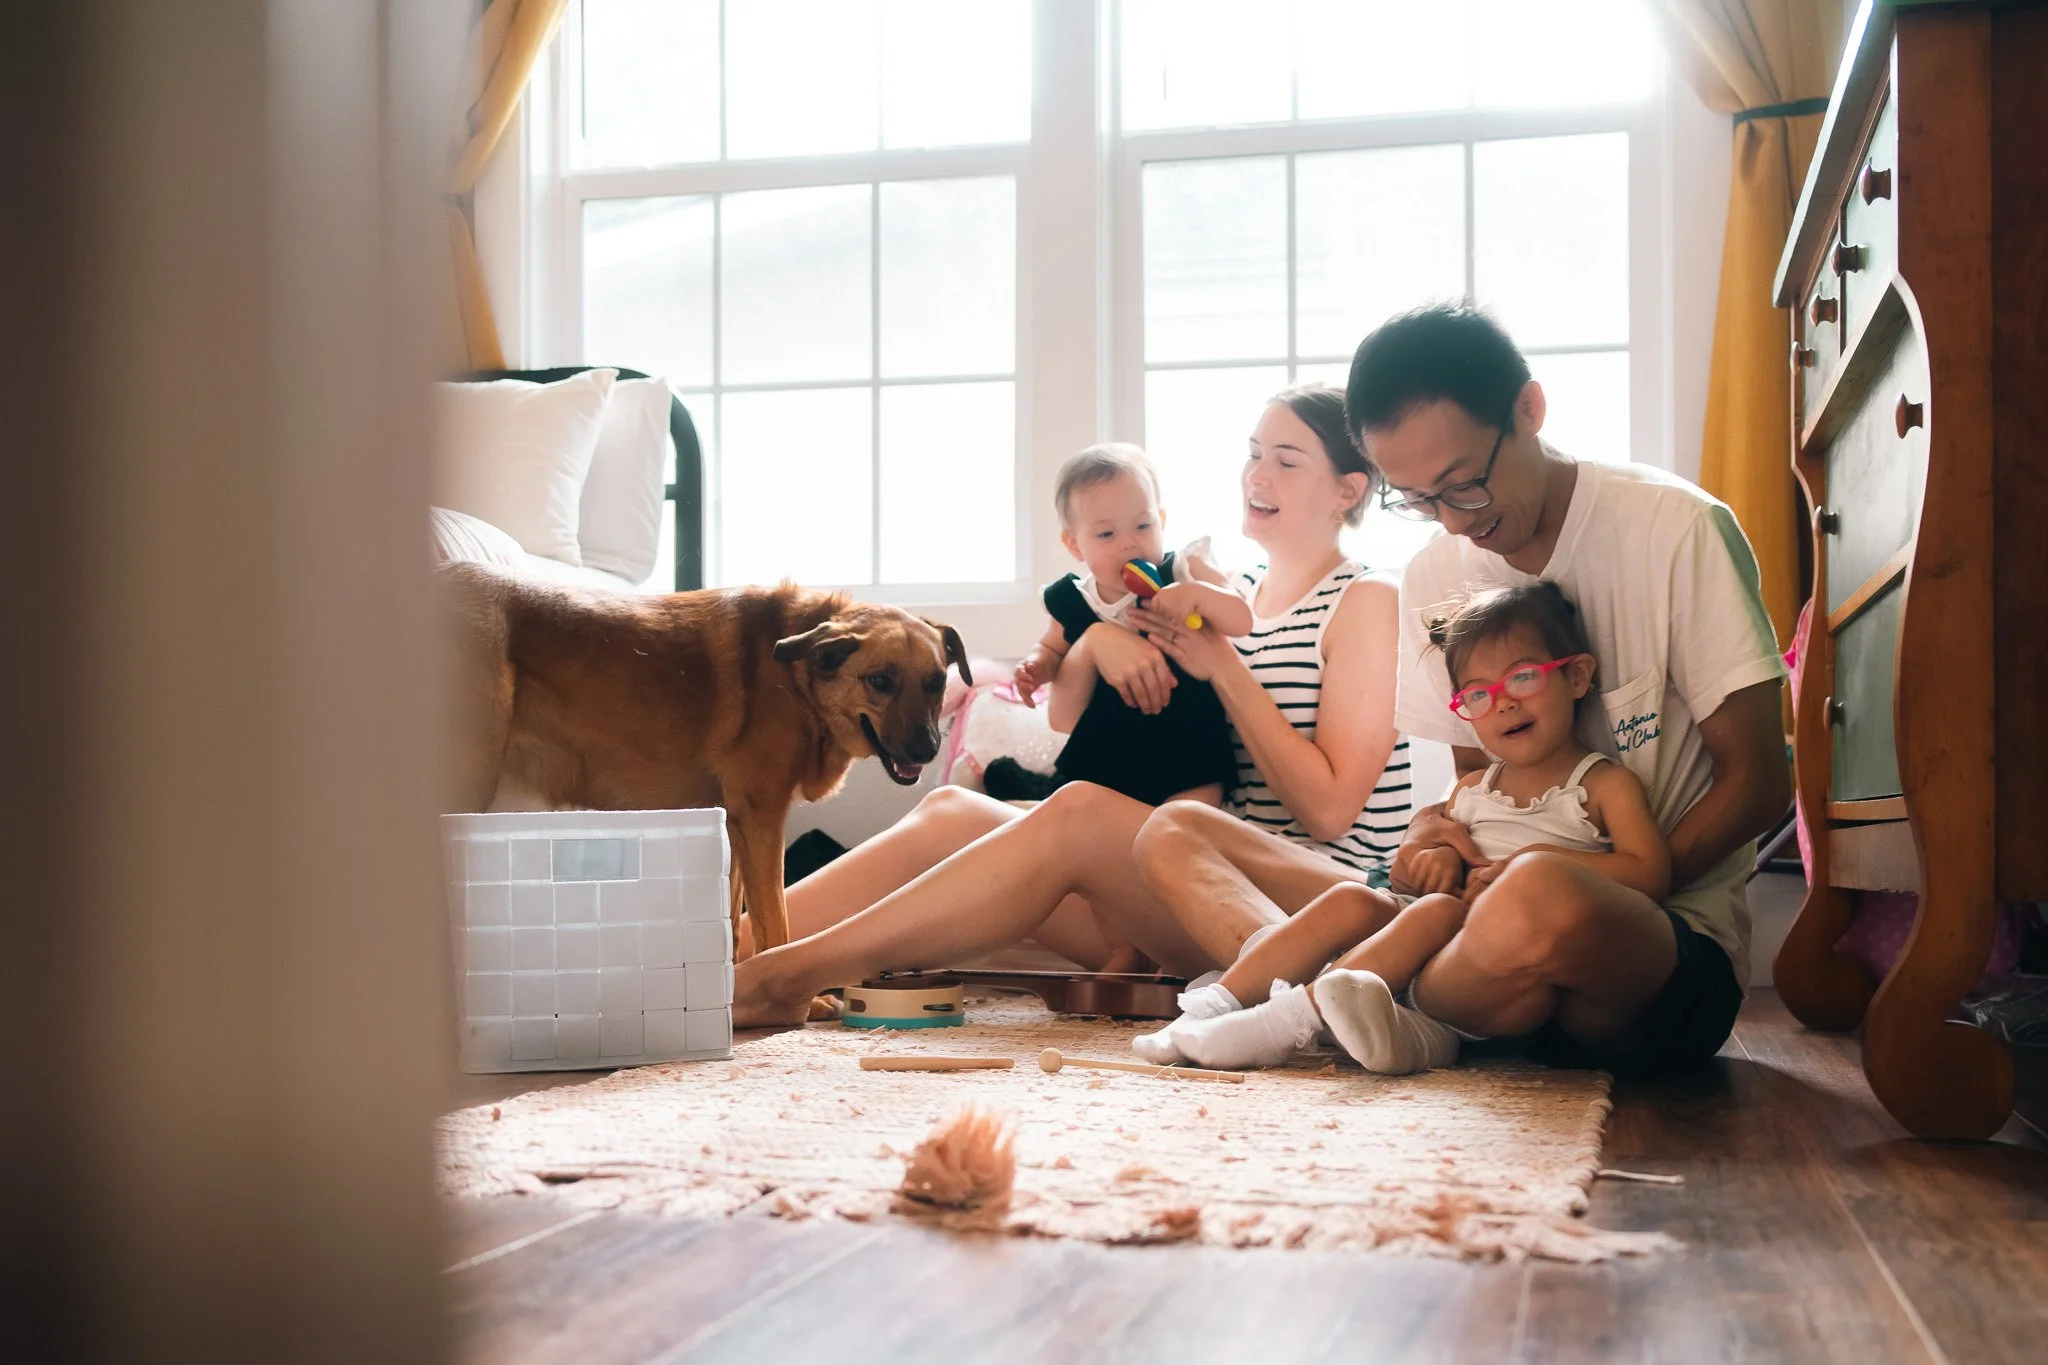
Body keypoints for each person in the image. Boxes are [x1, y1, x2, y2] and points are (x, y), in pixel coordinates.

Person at [1138, 303, 1789, 1076]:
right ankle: (1361, 1006)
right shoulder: (1435, 574)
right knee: (1201, 837)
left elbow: (1760, 780)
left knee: (1538, 890)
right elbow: (1479, 786)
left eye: (1464, 485)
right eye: (1416, 499)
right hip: (1470, 949)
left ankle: (1336, 1007)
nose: (1451, 522)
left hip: (1657, 947)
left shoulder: (1674, 528)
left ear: (1529, 409)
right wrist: (1438, 850)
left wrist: (1572, 882)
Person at [729, 386, 1413, 1027]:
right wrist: (1094, 646)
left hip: (1299, 908)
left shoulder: (1366, 600)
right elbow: (1079, 697)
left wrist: (1222, 666)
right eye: (1254, 453)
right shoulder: (1238, 590)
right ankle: (723, 954)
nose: (1256, 475)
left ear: (1347, 490)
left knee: (1077, 809)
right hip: (1195, 876)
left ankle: (786, 978)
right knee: (952, 813)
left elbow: (1330, 810)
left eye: (1285, 461)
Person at [1134, 581, 1669, 1074]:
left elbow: (1649, 873)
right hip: (1419, 932)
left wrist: (1517, 870)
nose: (1503, 701)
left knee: (1436, 910)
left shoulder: (1600, 785)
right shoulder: (1473, 787)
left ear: (1576, 675)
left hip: (1482, 958)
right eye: (1477, 694)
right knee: (1353, 898)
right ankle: (1211, 1007)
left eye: (1523, 676)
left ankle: (1288, 1022)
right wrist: (1439, 858)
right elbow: (1429, 864)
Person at [987, 441, 1249, 809]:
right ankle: (1046, 791)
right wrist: (1036, 668)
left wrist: (1196, 596)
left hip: (1190, 742)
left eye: (1143, 525)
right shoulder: (1076, 601)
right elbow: (1051, 649)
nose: (1130, 544)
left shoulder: (1185, 571)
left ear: (1162, 520)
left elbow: (1242, 620)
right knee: (1080, 802)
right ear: (1075, 545)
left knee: (1193, 815)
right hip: (1106, 750)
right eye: (1107, 534)